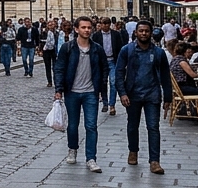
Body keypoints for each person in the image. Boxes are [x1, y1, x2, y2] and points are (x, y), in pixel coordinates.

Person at [115, 20, 172, 175]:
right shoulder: (127, 50)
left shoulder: (158, 53)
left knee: (153, 127)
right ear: (136, 33)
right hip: (132, 94)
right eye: (141, 31)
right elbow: (119, 72)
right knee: (133, 126)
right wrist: (122, 93)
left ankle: (154, 161)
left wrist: (168, 97)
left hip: (152, 95)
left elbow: (166, 76)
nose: (144, 33)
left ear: (151, 32)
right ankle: (133, 151)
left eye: (146, 31)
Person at [54, 16, 107, 174]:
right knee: (72, 125)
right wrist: (58, 89)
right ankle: (72, 149)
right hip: (72, 92)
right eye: (83, 27)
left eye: (89, 27)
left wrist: (101, 89)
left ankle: (91, 158)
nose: (87, 30)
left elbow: (104, 69)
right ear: (76, 29)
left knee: (91, 126)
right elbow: (59, 68)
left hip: (91, 92)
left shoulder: (97, 49)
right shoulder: (67, 48)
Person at [95, 17, 128, 116]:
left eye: (107, 24)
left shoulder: (116, 34)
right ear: (100, 24)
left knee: (114, 82)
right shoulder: (96, 35)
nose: (105, 26)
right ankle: (105, 102)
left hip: (113, 61)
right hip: (101, 62)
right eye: (103, 24)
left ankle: (112, 105)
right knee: (103, 82)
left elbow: (120, 48)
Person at [41, 19, 58, 87]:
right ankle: (49, 81)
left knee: (55, 67)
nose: (51, 26)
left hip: (54, 50)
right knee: (47, 66)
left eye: (52, 25)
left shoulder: (57, 33)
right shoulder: (44, 32)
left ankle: (56, 81)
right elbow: (41, 41)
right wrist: (41, 50)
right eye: (49, 25)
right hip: (46, 50)